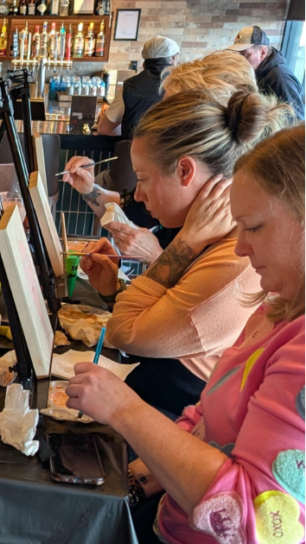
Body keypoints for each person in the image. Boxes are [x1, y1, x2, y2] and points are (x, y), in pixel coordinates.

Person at [67, 124, 305, 544]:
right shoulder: (277, 306)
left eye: (253, 227)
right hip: (168, 513)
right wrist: (135, 477)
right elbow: (207, 418)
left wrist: (125, 411)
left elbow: (256, 522)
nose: (240, 248)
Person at [80, 89, 292, 418]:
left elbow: (125, 332)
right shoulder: (212, 234)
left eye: (143, 179)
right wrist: (114, 290)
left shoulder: (233, 260)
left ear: (184, 171)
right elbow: (159, 318)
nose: (138, 194)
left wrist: (187, 240)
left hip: (172, 419)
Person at [63, 50, 260, 264]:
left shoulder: (236, 240)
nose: (160, 118)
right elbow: (130, 207)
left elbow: (187, 294)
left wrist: (157, 258)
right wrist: (89, 189)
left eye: (171, 112)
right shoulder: (184, 198)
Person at [97, 36, 180, 138]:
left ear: (144, 63)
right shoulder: (183, 85)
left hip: (133, 152)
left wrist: (129, 132)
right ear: (173, 59)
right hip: (172, 153)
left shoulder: (130, 86)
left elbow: (104, 129)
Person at [228, 25, 305, 120]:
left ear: (263, 52)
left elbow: (296, 122)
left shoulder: (280, 79)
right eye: (238, 55)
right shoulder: (254, 72)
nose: (240, 60)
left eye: (245, 55)